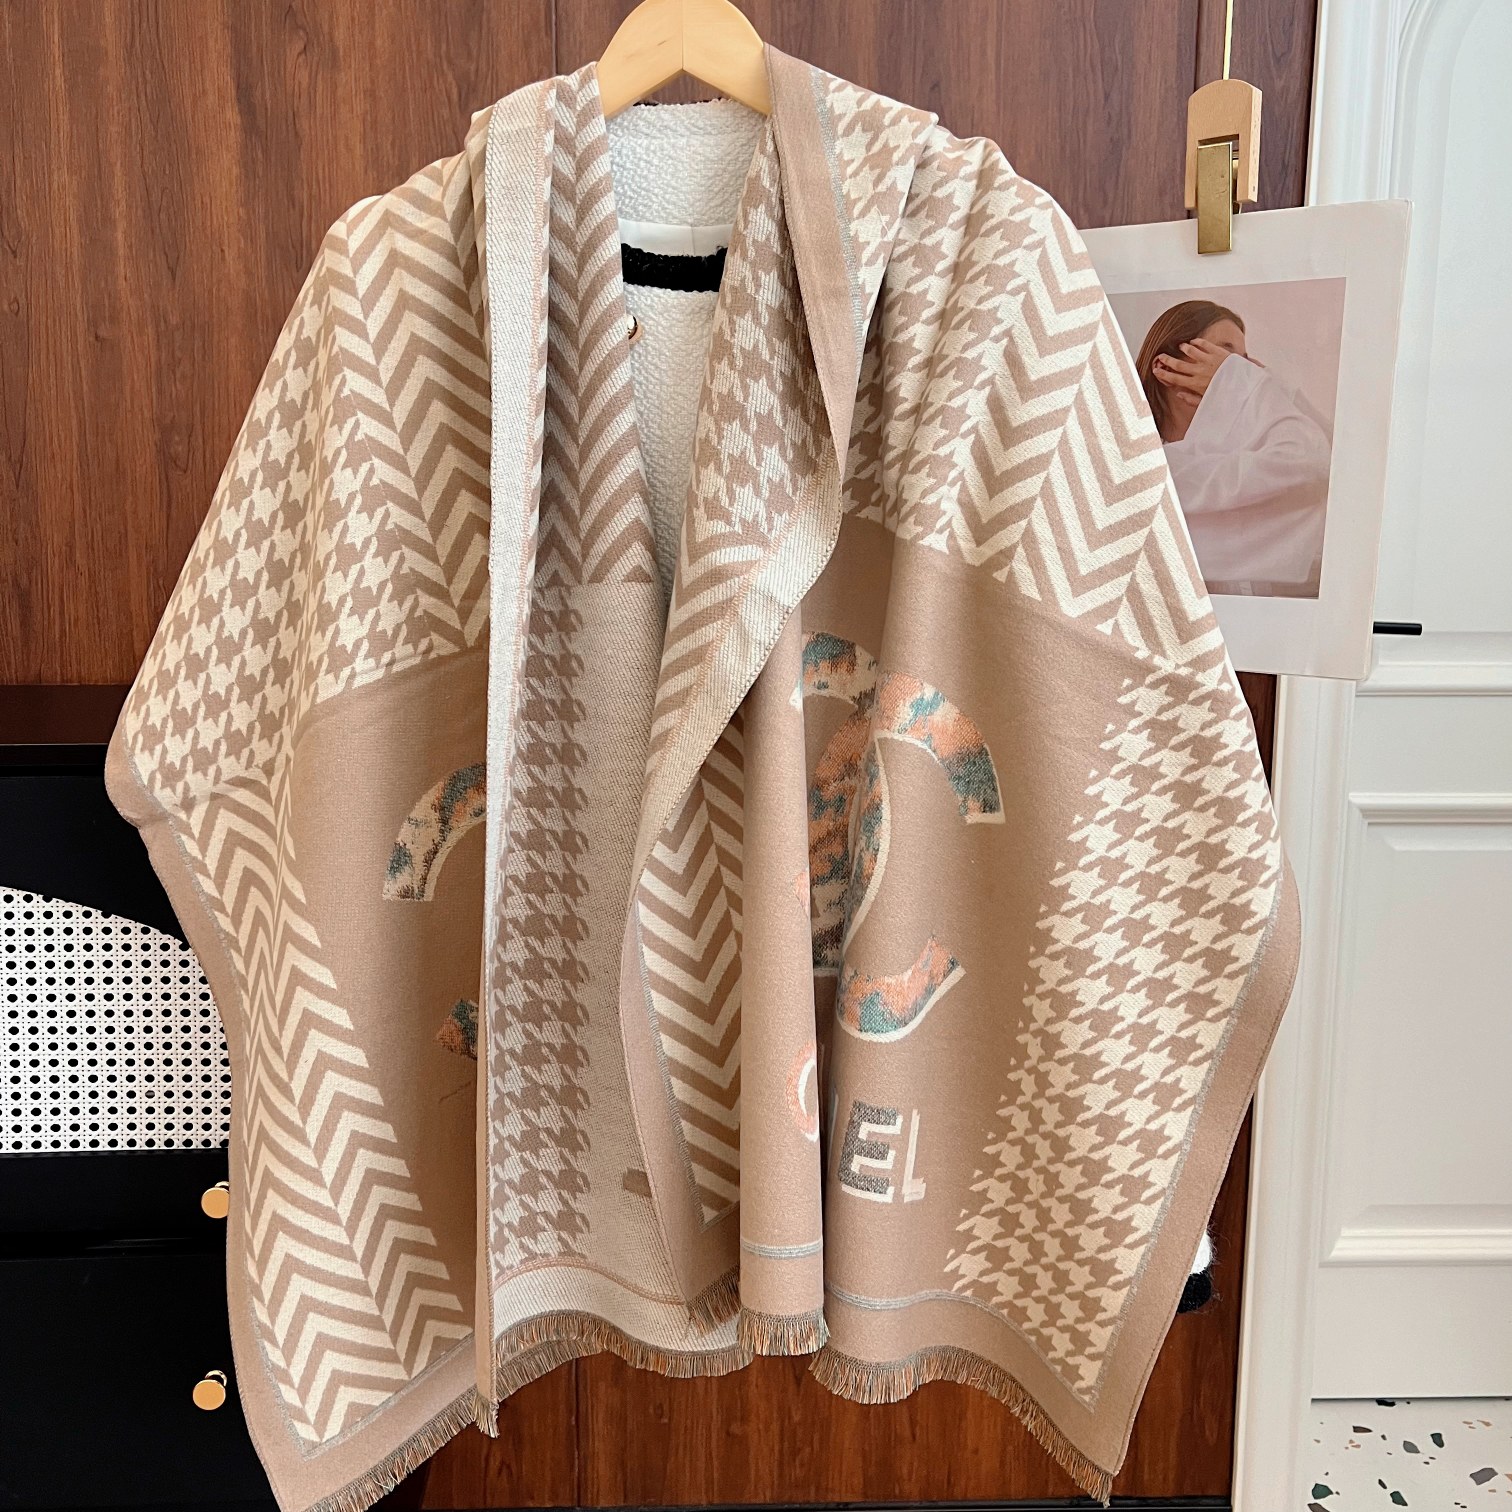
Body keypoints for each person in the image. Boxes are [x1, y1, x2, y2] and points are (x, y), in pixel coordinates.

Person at [1134, 299, 1331, 597]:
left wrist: (1266, 384)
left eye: (1244, 365)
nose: (1243, 374)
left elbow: (1344, 463)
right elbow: (1310, 460)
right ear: (1165, 367)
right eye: (1226, 359)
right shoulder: (1146, 465)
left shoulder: (1239, 458)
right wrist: (1261, 387)